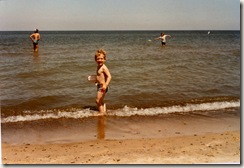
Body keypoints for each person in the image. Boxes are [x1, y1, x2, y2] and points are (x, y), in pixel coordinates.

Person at [94, 49, 112, 115]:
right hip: (99, 85)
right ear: (95, 60)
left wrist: (105, 85)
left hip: (103, 86)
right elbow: (100, 76)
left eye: (102, 58)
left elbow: (109, 76)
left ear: (105, 59)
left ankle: (101, 114)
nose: (100, 60)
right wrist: (96, 80)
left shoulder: (104, 67)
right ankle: (104, 110)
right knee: (100, 100)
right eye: (98, 59)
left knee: (97, 101)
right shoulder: (98, 67)